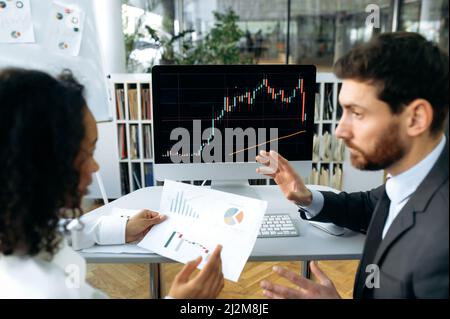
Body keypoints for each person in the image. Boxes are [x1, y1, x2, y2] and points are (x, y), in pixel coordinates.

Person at [0, 68, 224, 298]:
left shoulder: (16, 229)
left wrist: (122, 228)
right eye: (87, 153)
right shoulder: (42, 290)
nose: (95, 167)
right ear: (41, 163)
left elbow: (58, 233)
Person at [255, 32, 449, 299]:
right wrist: (308, 199)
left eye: (357, 113)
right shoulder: (413, 179)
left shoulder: (441, 246)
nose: (339, 130)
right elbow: (370, 206)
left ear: (416, 118)